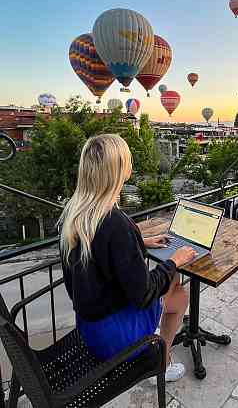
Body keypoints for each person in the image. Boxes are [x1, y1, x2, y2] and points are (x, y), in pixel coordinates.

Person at [59, 134, 197, 382]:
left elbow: (100, 247)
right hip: (115, 340)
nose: (131, 165)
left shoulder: (76, 212)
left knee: (171, 282)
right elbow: (143, 295)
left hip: (90, 327)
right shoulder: (115, 223)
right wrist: (175, 260)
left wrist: (140, 242)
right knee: (179, 296)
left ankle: (158, 341)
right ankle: (160, 363)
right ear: (118, 169)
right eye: (128, 159)